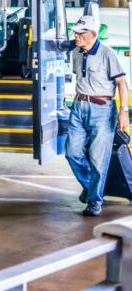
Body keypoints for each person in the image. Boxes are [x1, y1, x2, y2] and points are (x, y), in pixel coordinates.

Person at [66, 15, 129, 217]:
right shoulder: (76, 52)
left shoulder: (108, 54)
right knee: (71, 152)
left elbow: (121, 83)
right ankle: (90, 187)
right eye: (75, 32)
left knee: (97, 159)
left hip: (102, 110)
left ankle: (94, 201)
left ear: (93, 34)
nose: (76, 36)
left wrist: (123, 111)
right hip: (78, 106)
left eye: (80, 33)